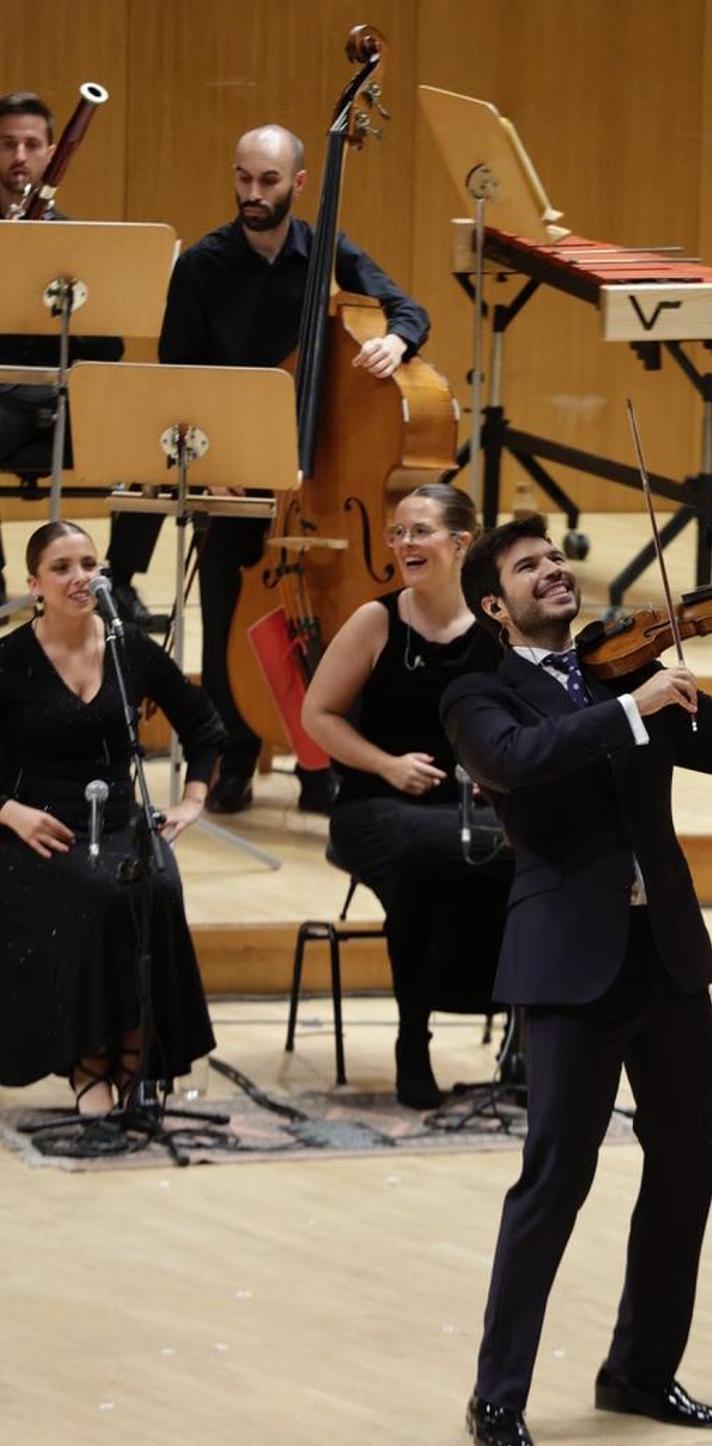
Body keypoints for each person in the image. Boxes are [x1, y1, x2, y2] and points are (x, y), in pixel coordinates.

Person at [441, 514, 712, 1446]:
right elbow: (516, 763)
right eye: (529, 566)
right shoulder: (479, 694)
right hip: (569, 961)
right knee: (556, 1177)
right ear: (495, 604)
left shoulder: (628, 672)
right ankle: (497, 1395)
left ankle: (640, 1373)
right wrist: (632, 708)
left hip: (665, 955)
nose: (553, 571)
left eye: (556, 558)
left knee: (691, 1156)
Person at [108, 122, 431, 816]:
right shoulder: (203, 265)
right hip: (233, 469)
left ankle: (319, 758)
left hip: (316, 478)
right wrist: (215, 464)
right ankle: (233, 754)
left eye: (268, 182)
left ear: (300, 184)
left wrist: (397, 341)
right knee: (229, 611)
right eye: (244, 179)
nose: (252, 195)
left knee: (320, 617)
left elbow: (409, 307)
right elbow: (178, 376)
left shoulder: (328, 253)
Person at [0, 520, 223, 1117]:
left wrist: (193, 799)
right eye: (63, 568)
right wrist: (10, 811)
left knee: (159, 886)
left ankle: (136, 1053)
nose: (80, 578)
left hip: (121, 819)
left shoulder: (131, 651)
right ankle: (87, 1061)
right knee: (96, 894)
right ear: (34, 584)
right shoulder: (10, 660)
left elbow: (203, 726)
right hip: (35, 823)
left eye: (88, 564)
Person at [301, 484, 511, 1109]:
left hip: (471, 806)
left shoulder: (499, 626)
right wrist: (387, 766)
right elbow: (319, 715)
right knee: (426, 856)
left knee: (533, 855)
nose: (404, 543)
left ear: (461, 542)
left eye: (419, 530)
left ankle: (524, 1040)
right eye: (398, 533)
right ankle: (412, 1039)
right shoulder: (377, 620)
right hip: (377, 803)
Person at [0, 91, 138, 613]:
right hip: (3, 400)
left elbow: (112, 346)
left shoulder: (78, 242)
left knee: (156, 439)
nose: (20, 155)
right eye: (8, 143)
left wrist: (72, 305)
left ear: (51, 152)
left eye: (32, 144)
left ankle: (117, 582)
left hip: (69, 402)